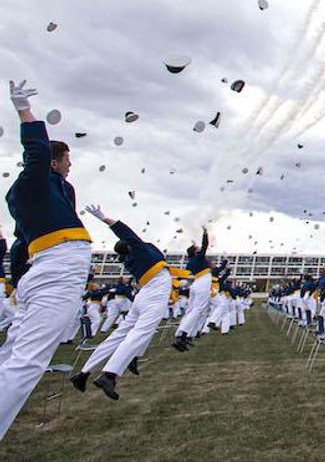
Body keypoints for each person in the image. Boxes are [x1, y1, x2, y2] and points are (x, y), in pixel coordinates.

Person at [0, 80, 95, 440]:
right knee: (28, 363)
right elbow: (38, 153)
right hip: (57, 269)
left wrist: (18, 286)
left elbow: (19, 248)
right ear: (54, 162)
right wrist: (25, 111)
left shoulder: (53, 190)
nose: (70, 165)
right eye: (66, 159)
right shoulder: (31, 185)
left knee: (13, 354)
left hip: (44, 271)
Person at [69, 205, 173, 399]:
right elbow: (125, 230)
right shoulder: (140, 250)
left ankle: (83, 373)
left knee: (118, 335)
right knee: (140, 333)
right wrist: (103, 217)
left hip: (144, 293)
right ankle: (110, 375)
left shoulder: (130, 259)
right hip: (155, 292)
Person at [172, 228, 211, 350]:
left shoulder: (191, 260)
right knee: (197, 310)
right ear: (195, 252)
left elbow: (200, 248)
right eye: (197, 248)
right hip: (203, 283)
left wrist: (194, 245)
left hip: (196, 284)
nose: (199, 248)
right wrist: (205, 233)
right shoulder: (198, 258)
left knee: (191, 310)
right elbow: (205, 245)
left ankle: (183, 335)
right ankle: (183, 334)